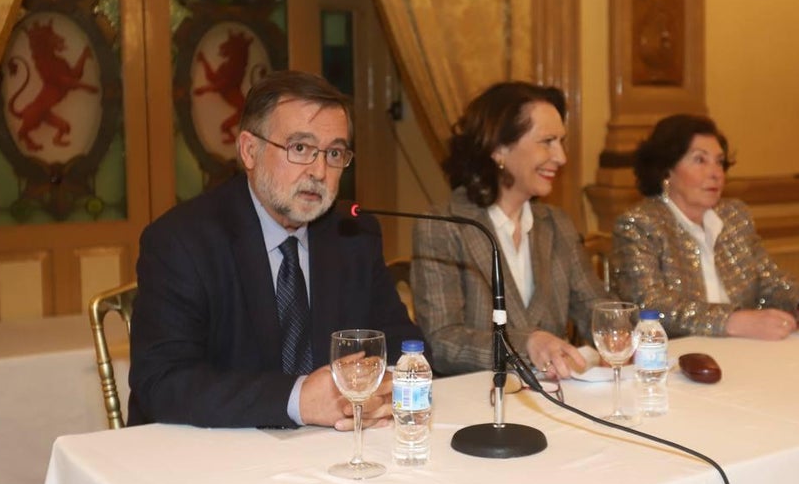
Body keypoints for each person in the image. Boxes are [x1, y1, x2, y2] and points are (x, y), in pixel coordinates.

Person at [129, 70, 424, 428]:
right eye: (300, 148)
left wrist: (385, 390)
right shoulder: (182, 241)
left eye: (334, 153)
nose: (319, 171)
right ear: (249, 150)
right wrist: (298, 398)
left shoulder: (353, 233)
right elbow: (162, 383)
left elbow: (402, 343)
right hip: (214, 459)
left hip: (330, 449)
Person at [411, 82, 609, 378]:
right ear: (499, 148)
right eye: (548, 141)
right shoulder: (445, 225)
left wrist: (633, 333)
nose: (561, 157)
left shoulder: (556, 224)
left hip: (557, 399)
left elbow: (597, 313)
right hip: (479, 404)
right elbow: (442, 342)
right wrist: (526, 343)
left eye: (562, 141)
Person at [612, 114, 799, 340]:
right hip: (674, 360)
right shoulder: (640, 224)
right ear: (667, 171)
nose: (715, 173)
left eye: (719, 162)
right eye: (700, 160)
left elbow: (768, 281)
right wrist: (732, 321)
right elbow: (649, 305)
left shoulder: (734, 217)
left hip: (743, 350)